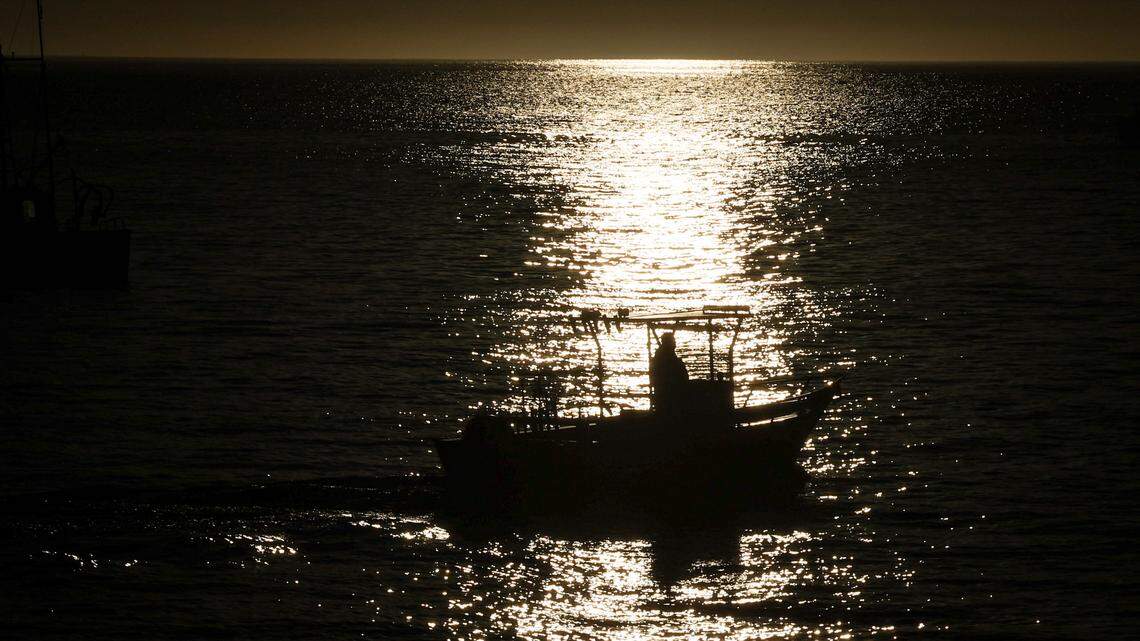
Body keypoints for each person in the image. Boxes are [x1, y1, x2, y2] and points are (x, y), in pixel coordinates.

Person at [650, 332, 688, 413]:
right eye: (673, 340)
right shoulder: (665, 356)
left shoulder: (663, 354)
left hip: (666, 391)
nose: (675, 342)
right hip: (668, 393)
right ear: (668, 342)